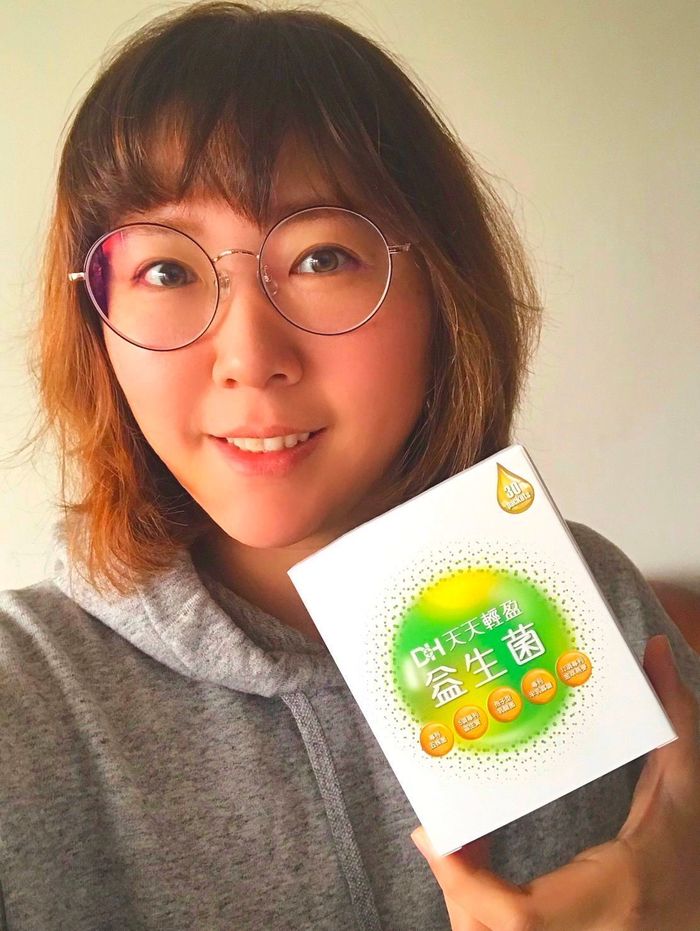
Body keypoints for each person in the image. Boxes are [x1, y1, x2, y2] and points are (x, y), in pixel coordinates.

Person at [1, 2, 698, 928]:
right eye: (166, 271)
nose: (249, 356)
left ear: (441, 290)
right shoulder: (25, 697)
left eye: (321, 257)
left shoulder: (591, 599)